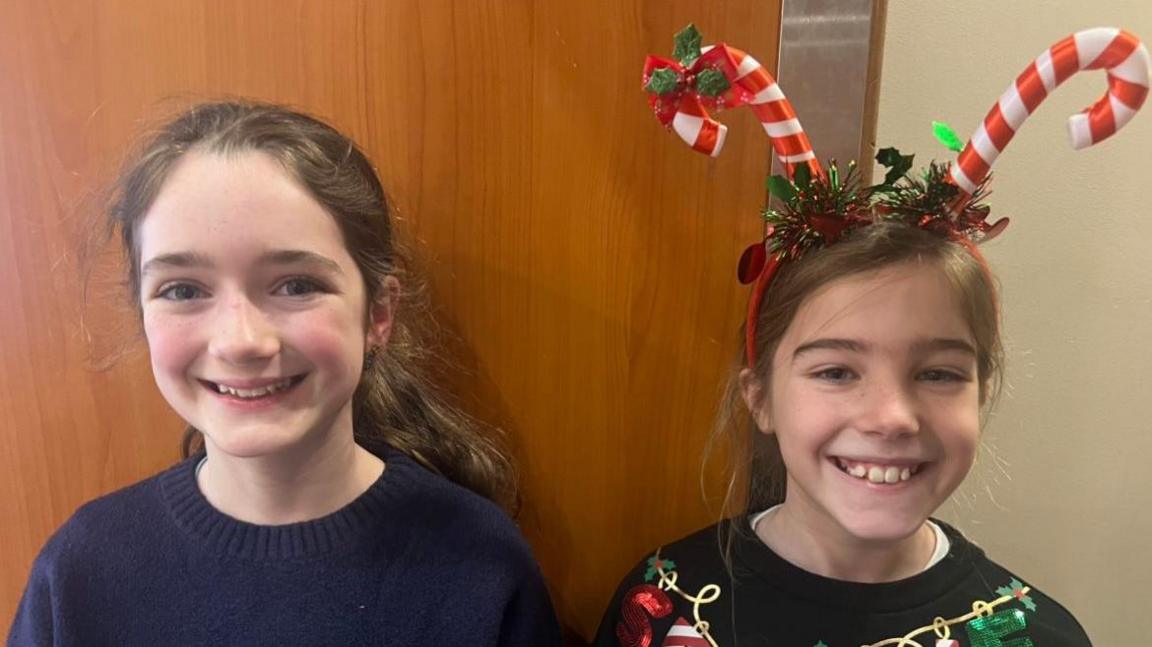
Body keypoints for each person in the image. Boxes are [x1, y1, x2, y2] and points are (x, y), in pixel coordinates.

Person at [594, 23, 1149, 647]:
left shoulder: (1034, 636)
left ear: (982, 390)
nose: (891, 417)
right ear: (761, 397)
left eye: (938, 374)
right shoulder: (662, 606)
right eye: (835, 371)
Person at [8, 100, 561, 646]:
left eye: (296, 285)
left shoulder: (482, 566)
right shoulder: (81, 573)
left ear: (378, 313)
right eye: (183, 290)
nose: (241, 341)